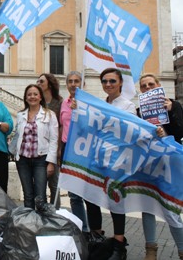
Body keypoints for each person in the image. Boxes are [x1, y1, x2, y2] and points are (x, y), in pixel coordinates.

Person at [84, 67, 136, 260]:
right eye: (105, 81)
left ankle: (119, 245)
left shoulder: (128, 106)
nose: (108, 84)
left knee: (116, 201)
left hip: (117, 161)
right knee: (91, 198)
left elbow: (128, 132)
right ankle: (97, 238)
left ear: (120, 82)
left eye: (112, 81)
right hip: (97, 158)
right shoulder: (99, 105)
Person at [138, 74, 183, 260]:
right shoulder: (139, 111)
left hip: (170, 164)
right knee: (147, 205)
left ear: (158, 85)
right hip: (149, 163)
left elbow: (180, 133)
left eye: (151, 84)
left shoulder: (174, 105)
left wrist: (171, 113)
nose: (147, 88)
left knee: (170, 208)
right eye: (143, 86)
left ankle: (181, 249)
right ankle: (151, 250)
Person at [10, 84, 58, 209]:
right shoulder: (21, 115)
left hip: (41, 160)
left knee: (40, 195)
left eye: (35, 94)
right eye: (29, 94)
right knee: (28, 194)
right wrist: (12, 151)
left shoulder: (50, 114)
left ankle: (41, 223)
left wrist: (51, 162)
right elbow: (17, 136)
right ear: (25, 98)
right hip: (23, 160)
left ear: (40, 97)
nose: (32, 97)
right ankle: (29, 222)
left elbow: (54, 140)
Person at [60, 71, 89, 232]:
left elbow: (91, 127)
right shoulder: (64, 103)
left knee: (88, 194)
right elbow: (61, 126)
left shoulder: (89, 104)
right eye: (70, 81)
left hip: (83, 150)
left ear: (82, 84)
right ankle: (81, 229)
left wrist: (80, 111)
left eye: (76, 81)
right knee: (74, 195)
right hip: (67, 149)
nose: (73, 84)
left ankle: (93, 230)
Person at [37, 73, 63, 208]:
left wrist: (58, 149)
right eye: (37, 81)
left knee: (54, 184)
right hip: (39, 149)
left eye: (41, 81)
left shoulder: (59, 102)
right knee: (39, 184)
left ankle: (55, 212)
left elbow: (61, 126)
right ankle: (41, 211)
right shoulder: (37, 103)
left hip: (54, 148)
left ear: (49, 84)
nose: (38, 83)